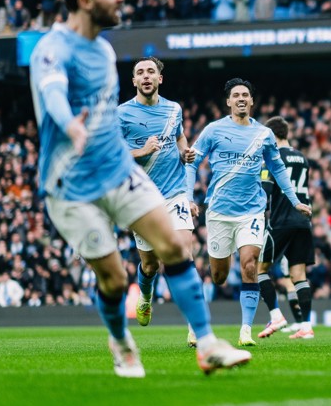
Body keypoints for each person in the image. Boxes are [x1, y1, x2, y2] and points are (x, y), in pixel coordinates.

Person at [28, 0, 250, 377]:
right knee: (114, 279)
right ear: (85, 0)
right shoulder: (52, 50)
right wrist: (70, 125)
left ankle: (206, 344)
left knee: (176, 248)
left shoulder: (104, 50)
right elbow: (53, 92)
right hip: (72, 185)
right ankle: (120, 342)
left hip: (120, 173)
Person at [185, 79, 311, 347]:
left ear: (252, 101)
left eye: (245, 95)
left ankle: (245, 331)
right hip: (219, 212)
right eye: (236, 95)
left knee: (250, 264)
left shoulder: (264, 134)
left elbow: (277, 169)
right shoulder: (214, 130)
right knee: (218, 276)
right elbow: (191, 162)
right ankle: (195, 323)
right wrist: (188, 198)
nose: (241, 98)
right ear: (228, 102)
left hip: (252, 211)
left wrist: (294, 201)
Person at [117, 56, 199, 346]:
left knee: (184, 254)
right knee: (150, 265)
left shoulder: (174, 109)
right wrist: (141, 151)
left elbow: (179, 138)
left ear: (159, 78)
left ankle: (195, 326)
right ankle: (146, 293)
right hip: (142, 198)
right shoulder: (122, 114)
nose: (146, 76)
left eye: (151, 71)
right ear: (134, 81)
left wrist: (185, 152)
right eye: (140, 72)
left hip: (175, 193)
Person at [254, 116, 316, 340]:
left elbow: (266, 190)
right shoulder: (302, 158)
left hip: (281, 221)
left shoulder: (272, 157)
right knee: (299, 275)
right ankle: (306, 326)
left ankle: (276, 315)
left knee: (259, 269)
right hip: (303, 221)